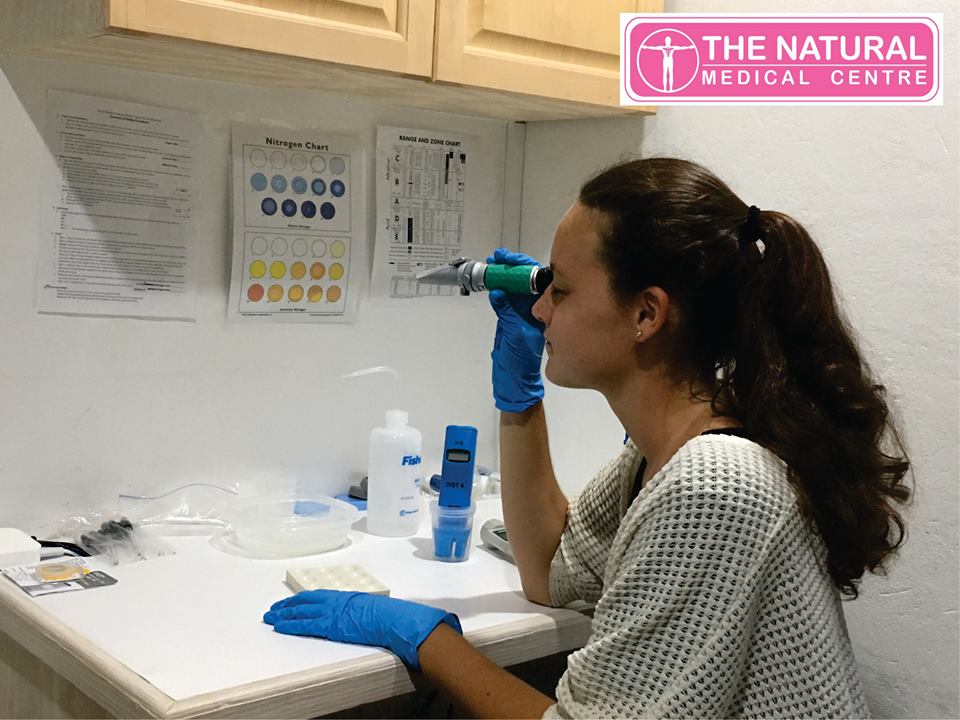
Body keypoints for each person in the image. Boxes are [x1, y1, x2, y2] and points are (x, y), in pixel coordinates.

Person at [263, 157, 912, 718]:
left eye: (563, 290)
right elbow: (549, 572)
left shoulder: (714, 485)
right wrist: (518, 400)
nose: (540, 308)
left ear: (646, 313)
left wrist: (428, 641)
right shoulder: (658, 454)